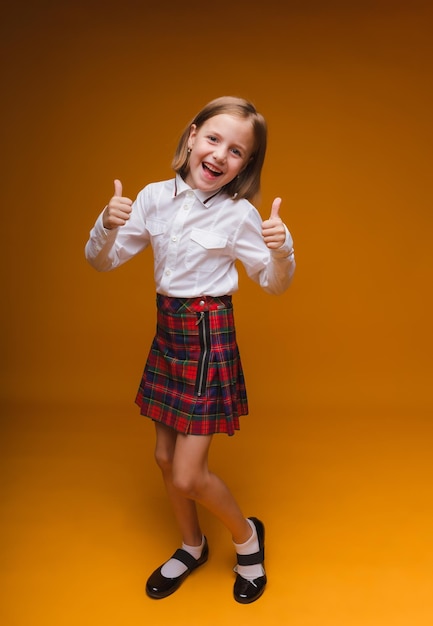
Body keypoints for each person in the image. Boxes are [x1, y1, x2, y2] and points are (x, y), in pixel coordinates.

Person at [85, 96, 296, 604]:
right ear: (193, 136)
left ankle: (247, 541)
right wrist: (105, 224)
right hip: (168, 332)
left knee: (188, 472)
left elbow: (272, 283)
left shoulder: (240, 215)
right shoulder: (153, 198)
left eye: (238, 151)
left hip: (207, 334)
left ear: (246, 165)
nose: (222, 155)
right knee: (163, 456)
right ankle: (192, 545)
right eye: (214, 139)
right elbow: (103, 261)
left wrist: (281, 248)